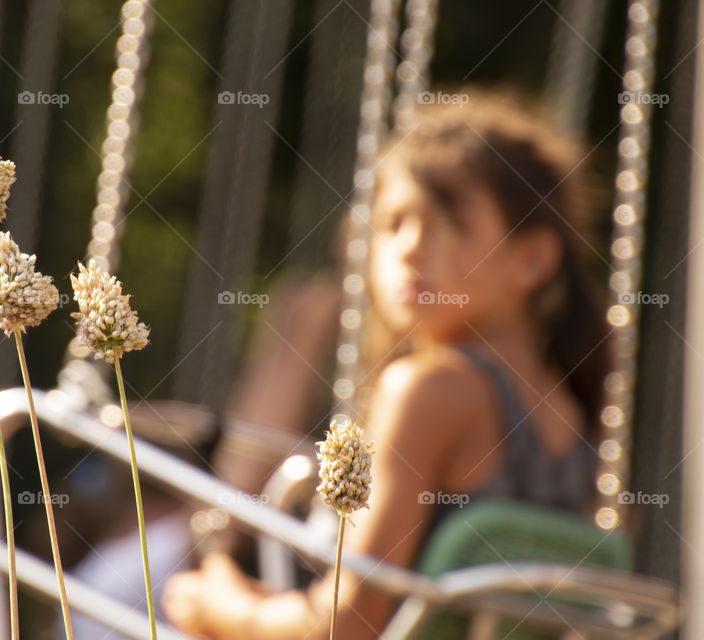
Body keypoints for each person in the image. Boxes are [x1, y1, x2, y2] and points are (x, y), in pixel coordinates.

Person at [162, 90, 608, 639]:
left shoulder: (431, 389)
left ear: (532, 257)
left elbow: (345, 624)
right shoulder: (574, 415)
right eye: (392, 223)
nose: (411, 248)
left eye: (448, 225)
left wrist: (224, 607)